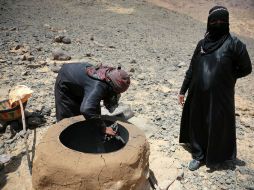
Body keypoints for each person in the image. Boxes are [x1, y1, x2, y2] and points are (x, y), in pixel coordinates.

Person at [178, 6, 252, 171]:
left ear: (227, 22)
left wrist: (229, 77)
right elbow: (192, 69)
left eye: (222, 20)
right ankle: (198, 155)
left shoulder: (234, 44)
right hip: (197, 93)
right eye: (214, 21)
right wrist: (183, 90)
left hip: (220, 96)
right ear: (208, 22)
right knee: (197, 123)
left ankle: (216, 156)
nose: (218, 23)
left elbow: (247, 68)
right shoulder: (202, 44)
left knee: (217, 124)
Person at [54, 62, 130, 136]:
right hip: (66, 80)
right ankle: (69, 138)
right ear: (111, 86)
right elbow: (86, 109)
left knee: (93, 111)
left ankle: (90, 134)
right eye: (115, 92)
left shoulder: (109, 77)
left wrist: (98, 123)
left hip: (80, 80)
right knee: (69, 118)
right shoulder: (98, 86)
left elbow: (93, 108)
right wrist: (104, 128)